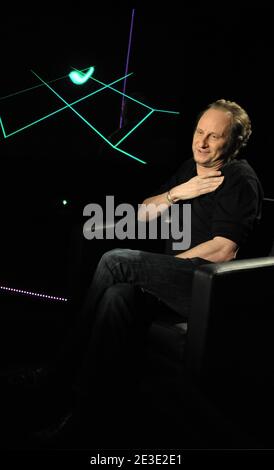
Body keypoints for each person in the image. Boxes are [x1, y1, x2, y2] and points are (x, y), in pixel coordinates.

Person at [6, 99, 264, 448]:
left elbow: (224, 249)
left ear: (233, 143)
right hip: (175, 279)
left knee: (117, 260)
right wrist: (176, 194)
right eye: (199, 132)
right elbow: (144, 213)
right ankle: (85, 415)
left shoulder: (239, 178)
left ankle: (55, 375)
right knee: (117, 295)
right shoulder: (190, 168)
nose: (202, 142)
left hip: (208, 290)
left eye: (214, 137)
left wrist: (168, 266)